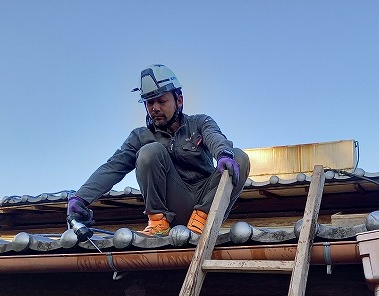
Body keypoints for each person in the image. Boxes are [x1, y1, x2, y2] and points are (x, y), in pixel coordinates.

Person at [67, 64, 250, 236]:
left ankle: (202, 221)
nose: (155, 108)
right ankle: (157, 223)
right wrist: (80, 198)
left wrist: (223, 154)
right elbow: (113, 167)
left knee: (239, 157)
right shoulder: (140, 137)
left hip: (207, 202)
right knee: (150, 151)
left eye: (162, 101)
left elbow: (215, 137)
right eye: (149, 103)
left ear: (179, 100)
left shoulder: (199, 123)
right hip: (173, 205)